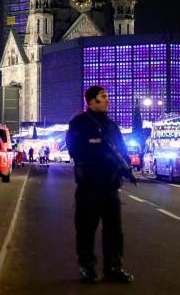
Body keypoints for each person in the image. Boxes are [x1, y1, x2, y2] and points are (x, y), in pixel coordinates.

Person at [66, 85, 135, 284]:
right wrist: (98, 156)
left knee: (114, 231)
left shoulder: (112, 126)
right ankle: (87, 268)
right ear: (91, 102)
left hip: (110, 187)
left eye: (106, 97)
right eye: (103, 97)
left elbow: (122, 149)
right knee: (86, 230)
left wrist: (125, 164)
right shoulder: (79, 123)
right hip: (89, 187)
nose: (107, 100)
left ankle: (114, 268)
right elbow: (75, 150)